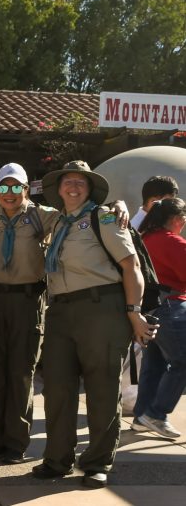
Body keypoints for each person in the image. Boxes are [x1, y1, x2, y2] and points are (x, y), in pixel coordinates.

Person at [33, 160, 156, 488]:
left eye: (80, 183)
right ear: (58, 188)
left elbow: (131, 267)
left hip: (101, 309)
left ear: (89, 189)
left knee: (102, 389)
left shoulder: (103, 216)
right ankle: (57, 459)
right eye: (67, 182)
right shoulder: (58, 221)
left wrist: (134, 311)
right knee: (57, 388)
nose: (73, 187)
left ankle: (98, 462)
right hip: (59, 312)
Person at [0, 163, 57, 464]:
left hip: (27, 300)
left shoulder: (42, 216)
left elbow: (77, 217)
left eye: (15, 187)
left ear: (26, 189)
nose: (9, 193)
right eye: (3, 187)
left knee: (21, 373)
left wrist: (115, 206)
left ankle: (16, 442)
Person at [122, 175, 179, 414]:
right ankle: (130, 402)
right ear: (155, 201)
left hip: (150, 299)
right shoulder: (131, 224)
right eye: (167, 202)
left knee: (147, 357)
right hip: (133, 298)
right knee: (133, 355)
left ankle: (138, 406)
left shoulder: (154, 227)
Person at [132, 198, 186, 438]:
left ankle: (142, 416)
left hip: (149, 308)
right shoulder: (173, 242)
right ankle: (156, 413)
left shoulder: (145, 238)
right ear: (176, 220)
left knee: (154, 364)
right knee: (182, 362)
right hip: (171, 307)